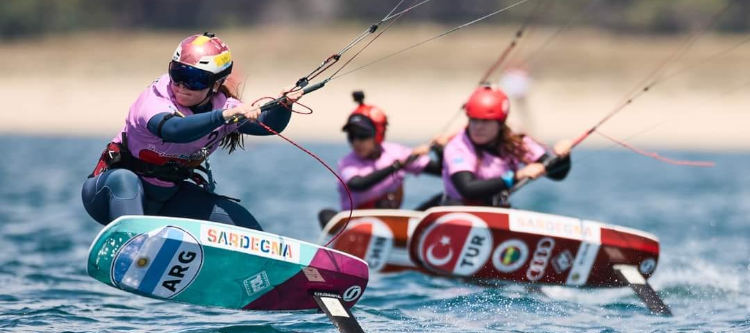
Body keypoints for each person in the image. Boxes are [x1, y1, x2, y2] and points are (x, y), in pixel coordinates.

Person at [82, 32, 302, 231]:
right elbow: (173, 129)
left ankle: (259, 272)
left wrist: (285, 106)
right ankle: (131, 247)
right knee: (124, 179)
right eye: (178, 73)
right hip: (110, 195)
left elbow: (269, 125)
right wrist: (222, 117)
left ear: (216, 84)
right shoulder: (155, 99)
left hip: (166, 199)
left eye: (195, 80)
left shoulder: (224, 106)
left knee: (244, 225)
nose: (182, 86)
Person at [317, 91, 444, 227]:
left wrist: (439, 150)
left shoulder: (396, 152)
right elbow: (358, 184)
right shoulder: (347, 163)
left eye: (362, 136)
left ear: (378, 134)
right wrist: (397, 166)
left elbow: (442, 172)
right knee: (325, 214)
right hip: (356, 227)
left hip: (393, 226)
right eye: (351, 136)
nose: (356, 142)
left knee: (444, 198)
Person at [441, 85, 572, 206]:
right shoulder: (458, 146)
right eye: (474, 120)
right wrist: (515, 177)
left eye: (485, 121)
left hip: (495, 209)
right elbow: (468, 189)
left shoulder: (515, 142)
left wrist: (563, 156)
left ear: (500, 123)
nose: (478, 127)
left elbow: (557, 174)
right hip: (457, 209)